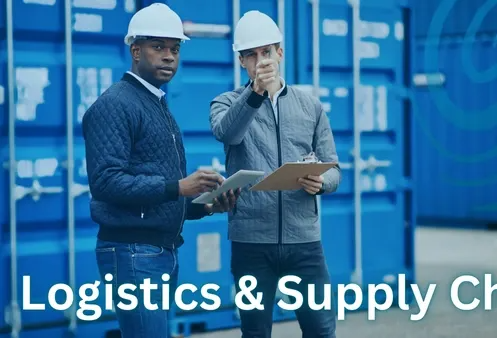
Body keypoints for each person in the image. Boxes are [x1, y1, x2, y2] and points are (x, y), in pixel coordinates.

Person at [81, 4, 240, 338]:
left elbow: (157, 192)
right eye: (158, 47)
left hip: (158, 250)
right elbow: (106, 183)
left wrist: (205, 206)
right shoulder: (115, 105)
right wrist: (180, 187)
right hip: (133, 252)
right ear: (135, 50)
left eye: (175, 49)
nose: (169, 56)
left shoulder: (154, 103)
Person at [209, 10, 341, 338]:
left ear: (280, 53)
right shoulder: (225, 103)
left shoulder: (310, 106)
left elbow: (334, 168)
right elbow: (228, 134)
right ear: (241, 62)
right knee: (255, 333)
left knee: (321, 332)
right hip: (251, 243)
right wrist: (254, 94)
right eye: (251, 55)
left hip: (305, 243)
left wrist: (321, 182)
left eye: (266, 52)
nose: (260, 61)